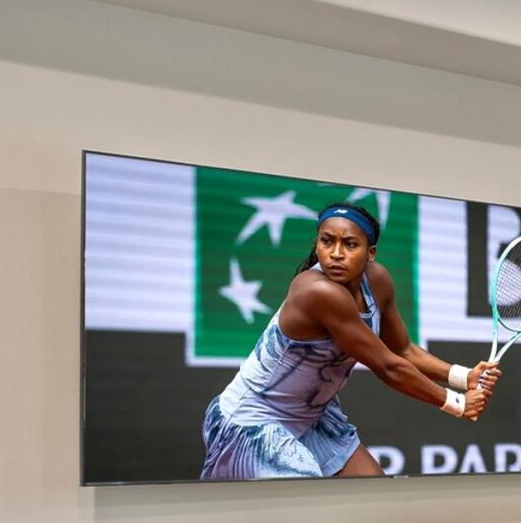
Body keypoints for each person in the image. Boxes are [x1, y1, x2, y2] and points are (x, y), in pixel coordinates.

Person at [200, 204, 498, 479]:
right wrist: (457, 403)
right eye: (327, 242)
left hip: (313, 416)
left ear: (371, 253)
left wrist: (463, 377)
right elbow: (387, 366)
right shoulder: (317, 291)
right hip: (254, 421)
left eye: (350, 244)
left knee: (373, 497)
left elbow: (402, 349)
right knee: (307, 512)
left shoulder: (377, 280)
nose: (336, 253)